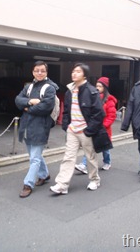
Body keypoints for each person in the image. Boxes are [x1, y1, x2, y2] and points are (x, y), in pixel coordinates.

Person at [50, 63, 104, 194]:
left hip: (85, 130)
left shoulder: (91, 91)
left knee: (90, 157)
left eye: (78, 72)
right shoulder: (69, 90)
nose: (74, 73)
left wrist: (89, 130)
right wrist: (66, 125)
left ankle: (94, 180)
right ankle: (62, 184)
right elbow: (67, 110)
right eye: (73, 71)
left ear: (84, 75)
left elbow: (99, 113)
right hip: (72, 130)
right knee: (68, 157)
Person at [15, 61, 58, 198]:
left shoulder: (50, 88)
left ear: (46, 73)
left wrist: (27, 108)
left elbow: (46, 107)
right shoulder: (28, 86)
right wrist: (30, 102)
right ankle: (44, 175)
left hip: (40, 126)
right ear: (33, 72)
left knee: (34, 158)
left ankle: (28, 184)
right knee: (34, 156)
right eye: (37, 70)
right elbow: (17, 100)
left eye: (42, 71)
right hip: (27, 125)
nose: (39, 73)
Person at [75, 77, 117, 173]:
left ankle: (107, 161)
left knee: (105, 148)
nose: (97, 88)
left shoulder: (109, 100)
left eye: (100, 86)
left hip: (103, 129)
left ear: (105, 88)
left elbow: (111, 116)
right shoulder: (93, 97)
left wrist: (103, 125)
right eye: (97, 86)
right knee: (90, 146)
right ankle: (84, 165)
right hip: (93, 126)